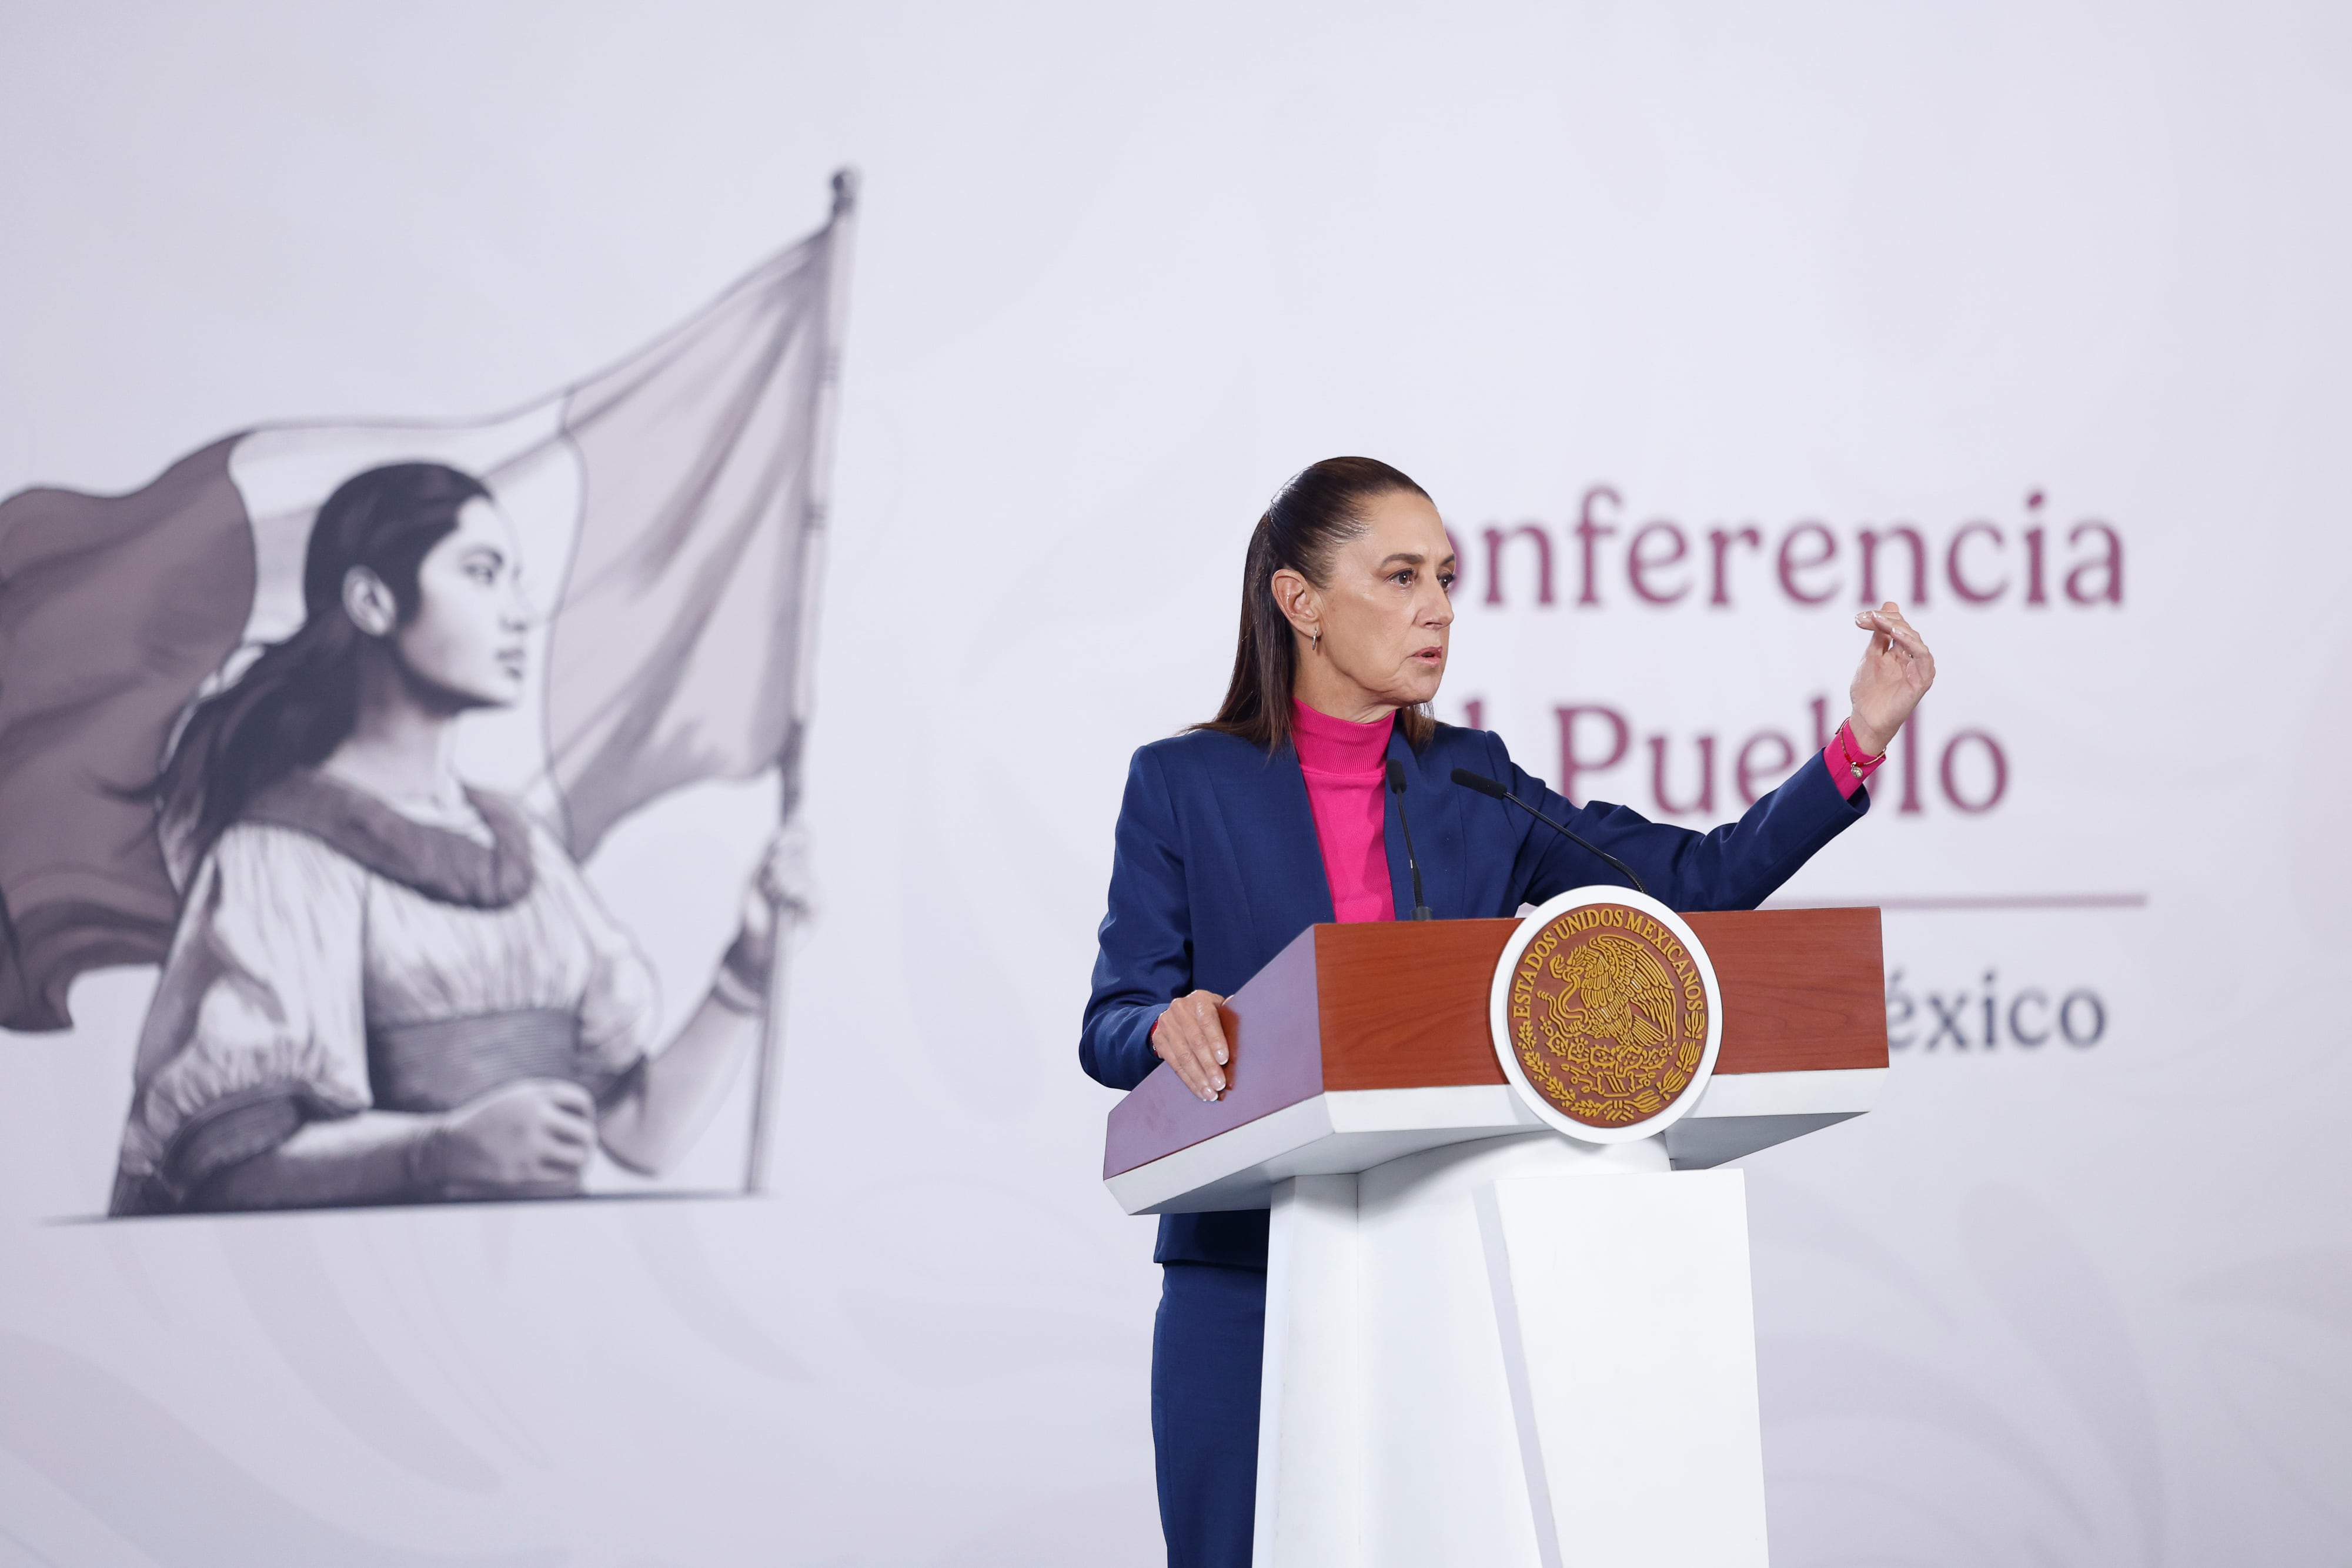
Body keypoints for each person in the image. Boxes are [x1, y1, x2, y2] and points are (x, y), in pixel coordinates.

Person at [1079, 456, 1935, 1565]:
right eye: (1399, 576)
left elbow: (1695, 883)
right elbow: (1114, 1016)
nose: (1437, 607)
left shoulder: (1472, 780)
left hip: (1441, 1263)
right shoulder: (1183, 783)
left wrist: (1855, 742)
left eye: (1445, 576)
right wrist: (1163, 1023)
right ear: (1300, 602)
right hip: (1246, 1277)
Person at [110, 461, 799, 1215]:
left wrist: (751, 964)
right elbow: (229, 1171)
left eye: (513, 579)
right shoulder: (280, 854)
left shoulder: (524, 847)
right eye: (482, 573)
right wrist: (438, 1150)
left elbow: (642, 1134)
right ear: (372, 601)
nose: (517, 613)